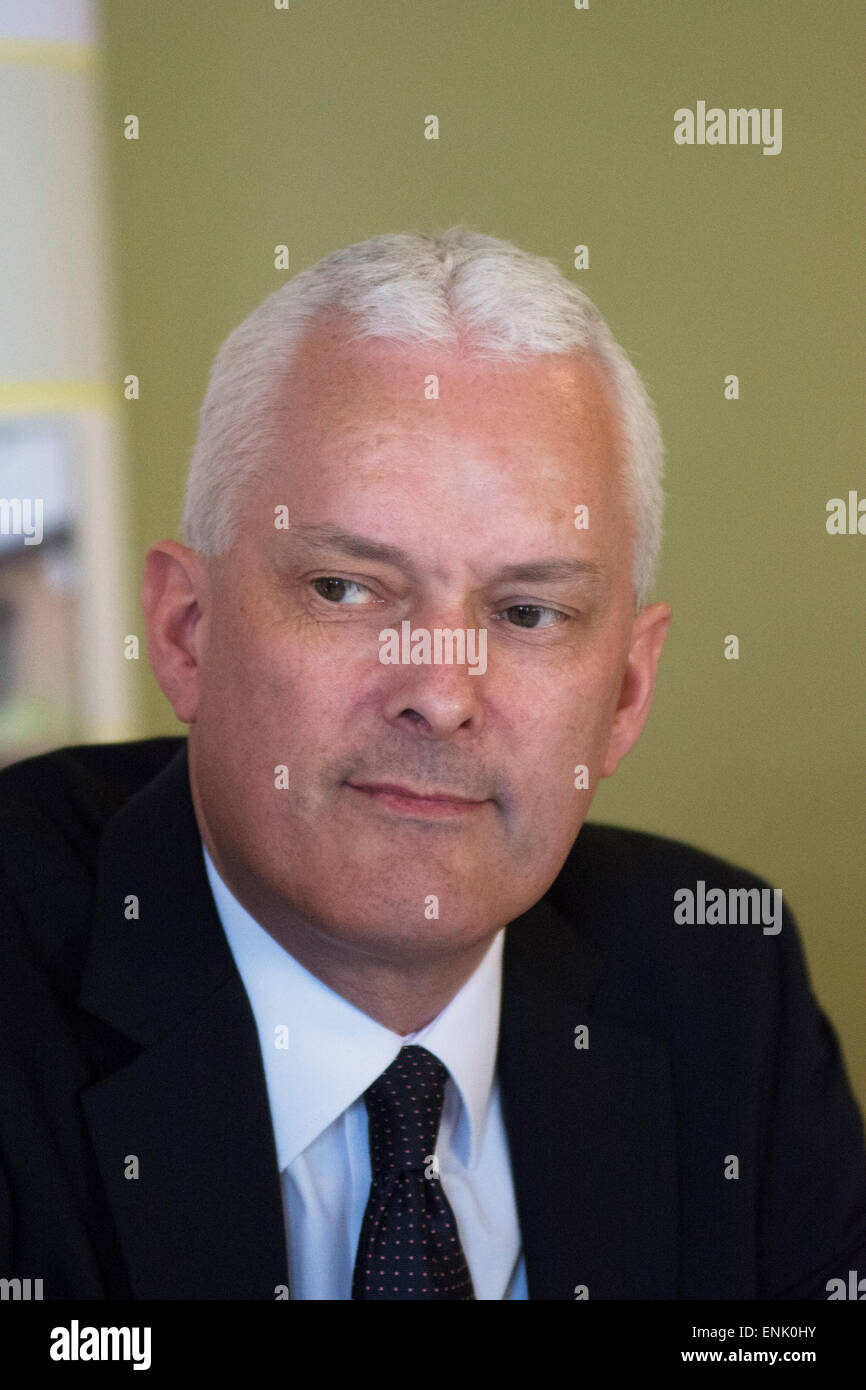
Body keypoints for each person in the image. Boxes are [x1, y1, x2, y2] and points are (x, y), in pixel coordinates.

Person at [1, 227, 864, 1301]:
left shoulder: (723, 987)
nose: (442, 693)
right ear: (185, 632)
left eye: (527, 611)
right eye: (346, 588)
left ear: (625, 694)